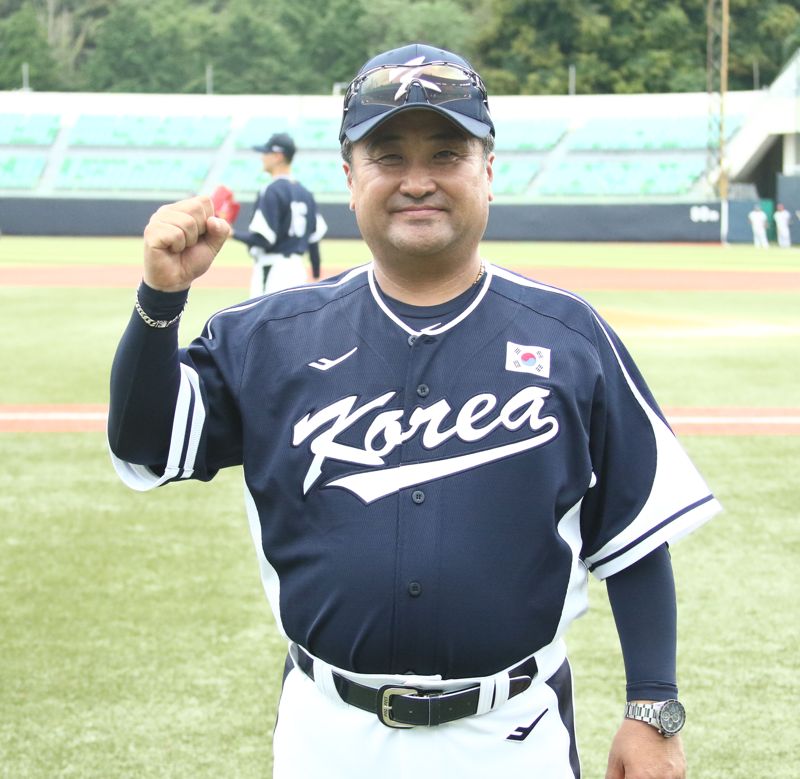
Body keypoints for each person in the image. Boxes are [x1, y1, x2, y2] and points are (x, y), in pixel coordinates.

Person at [107, 43, 721, 779]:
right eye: (388, 155)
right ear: (350, 177)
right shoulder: (265, 336)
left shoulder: (570, 336)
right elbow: (145, 441)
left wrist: (653, 707)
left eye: (447, 153)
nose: (418, 180)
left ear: (487, 171)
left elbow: (635, 531)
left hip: (513, 735)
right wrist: (159, 300)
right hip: (328, 734)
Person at [232, 131, 327, 296]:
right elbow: (314, 241)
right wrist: (316, 274)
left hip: (273, 271)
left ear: (278, 156)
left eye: (265, 153)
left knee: (262, 321)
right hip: (298, 272)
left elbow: (264, 240)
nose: (262, 157)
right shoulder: (306, 193)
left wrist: (231, 233)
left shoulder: (271, 190)